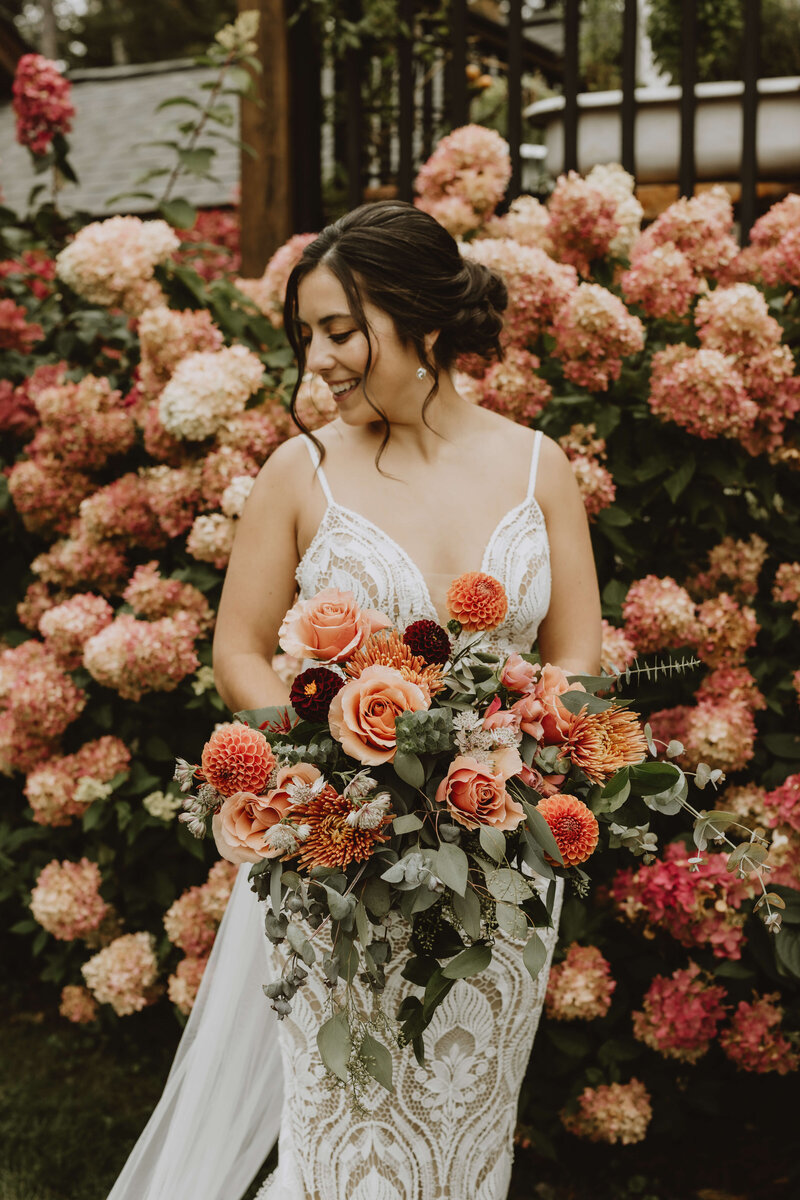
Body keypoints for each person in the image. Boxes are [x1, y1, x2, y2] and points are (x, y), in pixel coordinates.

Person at [107, 200, 601, 1200]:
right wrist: (336, 749)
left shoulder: (538, 466)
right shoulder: (302, 473)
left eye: (340, 330)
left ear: (419, 318)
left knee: (466, 1125)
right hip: (346, 854)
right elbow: (239, 652)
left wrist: (530, 739)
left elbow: (576, 652)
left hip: (501, 857)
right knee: (348, 1134)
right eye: (306, 337)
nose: (319, 359)